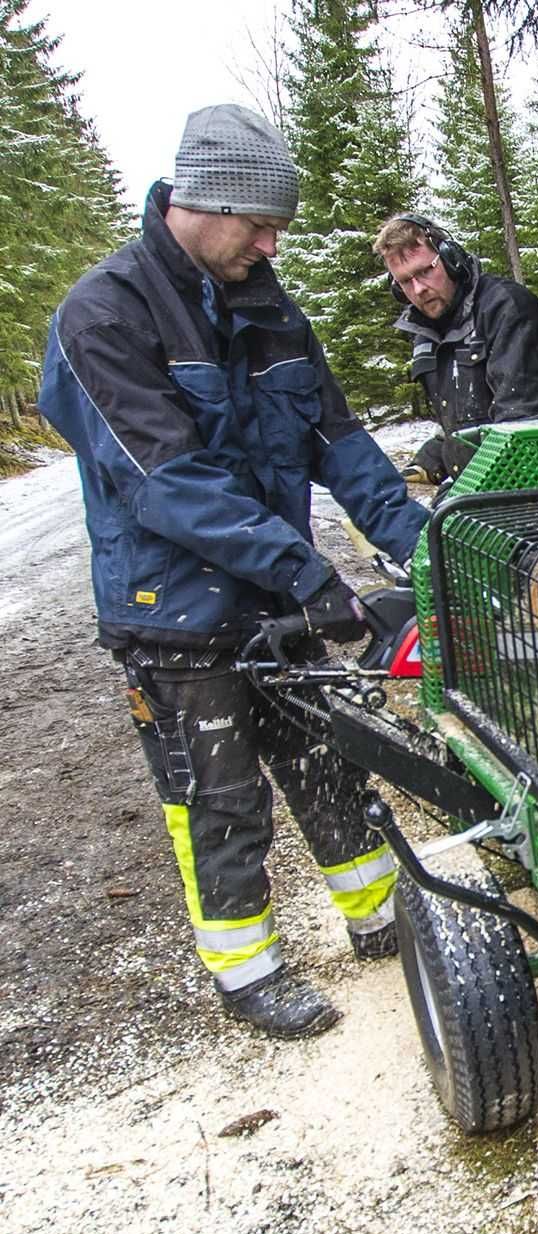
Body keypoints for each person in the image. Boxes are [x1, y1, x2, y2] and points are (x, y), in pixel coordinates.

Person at [38, 105, 427, 1041]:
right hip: (171, 612)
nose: (272, 241)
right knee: (218, 794)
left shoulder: (270, 307)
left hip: (274, 596)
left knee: (325, 758)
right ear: (203, 201)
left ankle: (377, 915)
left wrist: (426, 549)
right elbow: (168, 481)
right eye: (259, 223)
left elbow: (339, 441)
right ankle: (247, 970)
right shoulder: (104, 314)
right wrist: (308, 573)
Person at [373, 213, 538, 486]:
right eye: (406, 281)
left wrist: (458, 498)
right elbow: (459, 426)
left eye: (425, 271)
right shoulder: (428, 331)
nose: (419, 289)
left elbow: (520, 430)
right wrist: (423, 466)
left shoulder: (509, 309)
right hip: (484, 489)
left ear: (450, 258)